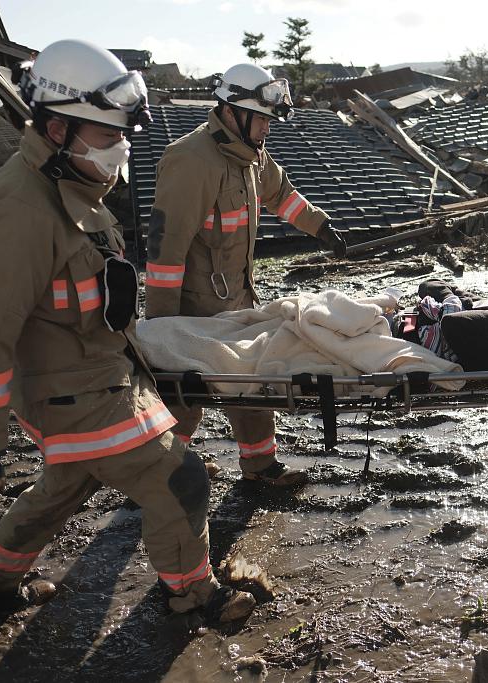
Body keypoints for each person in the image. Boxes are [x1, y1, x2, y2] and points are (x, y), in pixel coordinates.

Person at [0, 40, 251, 624]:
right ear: (59, 128)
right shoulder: (18, 210)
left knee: (67, 484)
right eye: (110, 136)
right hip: (73, 392)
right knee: (179, 476)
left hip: (100, 377)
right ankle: (192, 596)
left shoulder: (70, 188)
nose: (121, 148)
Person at [144, 63, 347, 487]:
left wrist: (320, 226)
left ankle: (259, 467)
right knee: (184, 396)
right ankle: (161, 471)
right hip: (193, 308)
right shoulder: (191, 160)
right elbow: (167, 250)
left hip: (237, 297)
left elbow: (282, 194)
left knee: (252, 383)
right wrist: (161, 329)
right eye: (263, 119)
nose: (268, 130)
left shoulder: (250, 155)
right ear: (233, 110)